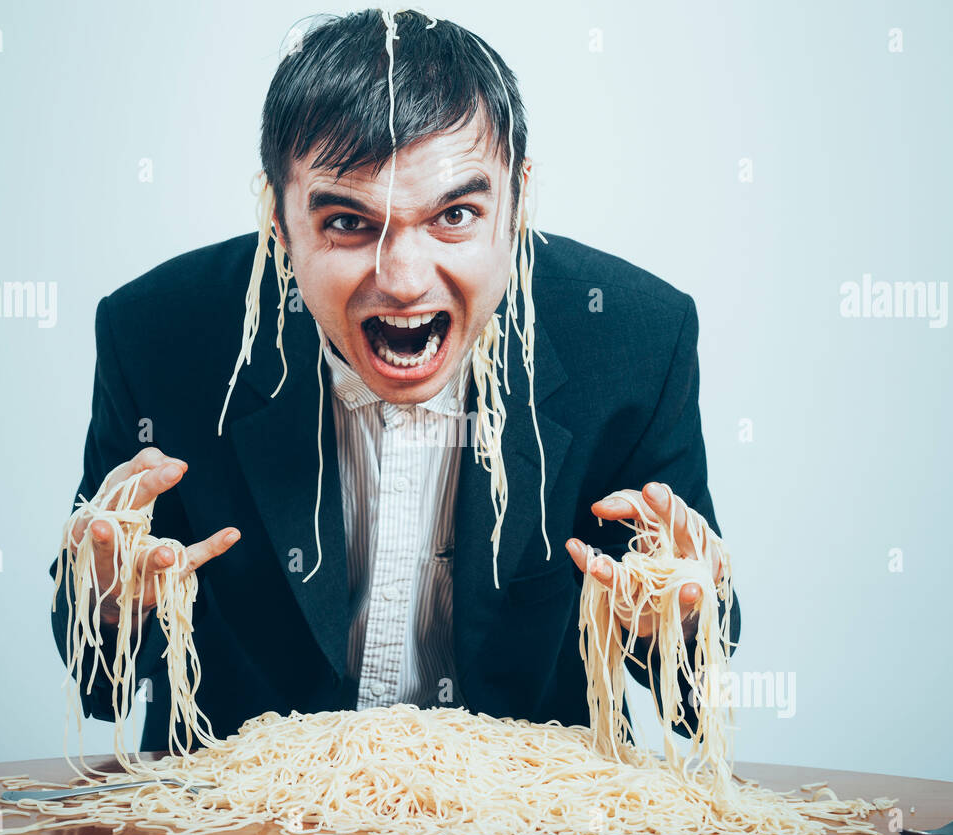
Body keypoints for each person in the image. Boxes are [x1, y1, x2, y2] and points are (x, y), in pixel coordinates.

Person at [49, 8, 740, 753]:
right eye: (347, 222)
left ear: (517, 206)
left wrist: (682, 617)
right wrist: (112, 604)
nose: (404, 281)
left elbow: (694, 696)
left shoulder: (633, 338)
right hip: (247, 825)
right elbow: (99, 687)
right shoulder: (158, 336)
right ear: (278, 222)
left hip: (528, 829)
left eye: (456, 215)